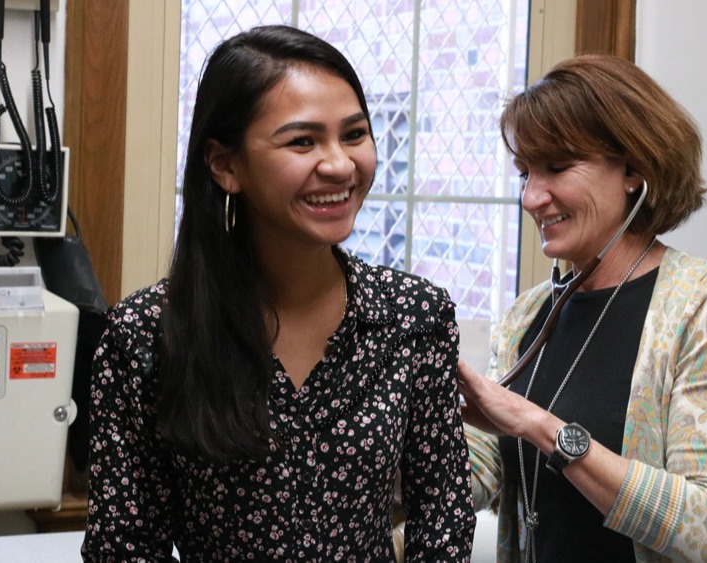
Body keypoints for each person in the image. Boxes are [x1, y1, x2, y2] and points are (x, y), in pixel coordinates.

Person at [82, 25, 475, 562]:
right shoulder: (146, 335)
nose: (339, 164)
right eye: (302, 141)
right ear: (225, 164)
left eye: (355, 134)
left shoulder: (412, 318)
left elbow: (444, 522)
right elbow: (125, 547)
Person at [458, 54, 707, 562]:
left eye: (557, 167)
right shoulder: (526, 316)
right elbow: (486, 470)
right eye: (524, 173)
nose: (532, 197)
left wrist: (541, 427)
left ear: (633, 170)